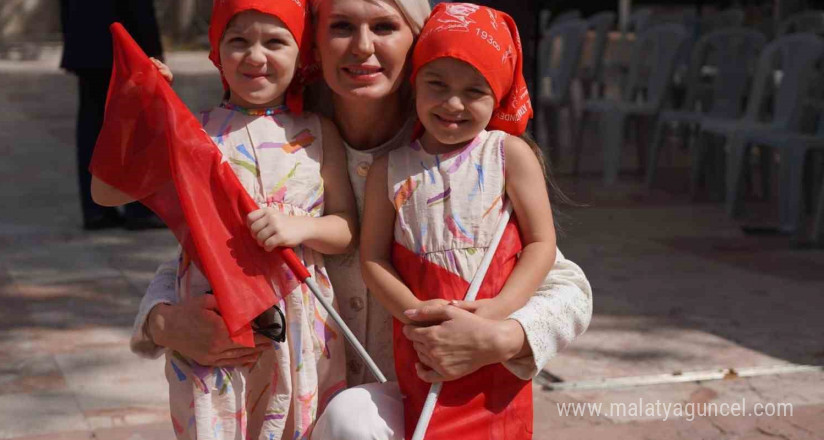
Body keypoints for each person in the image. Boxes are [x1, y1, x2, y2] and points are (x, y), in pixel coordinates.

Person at [134, 1, 592, 438]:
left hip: (431, 406)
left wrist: (501, 336)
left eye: (384, 27)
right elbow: (208, 250)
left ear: (418, 42)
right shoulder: (288, 145)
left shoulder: (461, 158)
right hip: (293, 409)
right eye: (341, 27)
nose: (362, 46)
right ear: (313, 41)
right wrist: (163, 322)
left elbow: (566, 286)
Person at [91, 1, 356, 438]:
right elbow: (107, 192)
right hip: (213, 319)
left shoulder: (320, 132)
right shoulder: (194, 133)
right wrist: (133, 111)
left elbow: (346, 227)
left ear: (302, 54)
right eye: (238, 41)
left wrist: (302, 227)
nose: (255, 56)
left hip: (301, 326)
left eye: (275, 41)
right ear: (216, 51)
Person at [359, 4, 551, 437]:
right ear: (415, 85)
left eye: (475, 91)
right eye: (437, 84)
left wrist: (498, 313)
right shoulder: (389, 170)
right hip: (420, 342)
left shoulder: (508, 155)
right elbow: (372, 259)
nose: (453, 103)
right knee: (424, 423)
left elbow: (541, 244)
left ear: (499, 94)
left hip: (491, 341)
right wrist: (415, 318)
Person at [59, 0, 167, 230]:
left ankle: (96, 209)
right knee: (136, 127)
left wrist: (72, 41)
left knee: (92, 126)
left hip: (86, 41)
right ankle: (138, 208)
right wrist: (152, 48)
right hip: (121, 44)